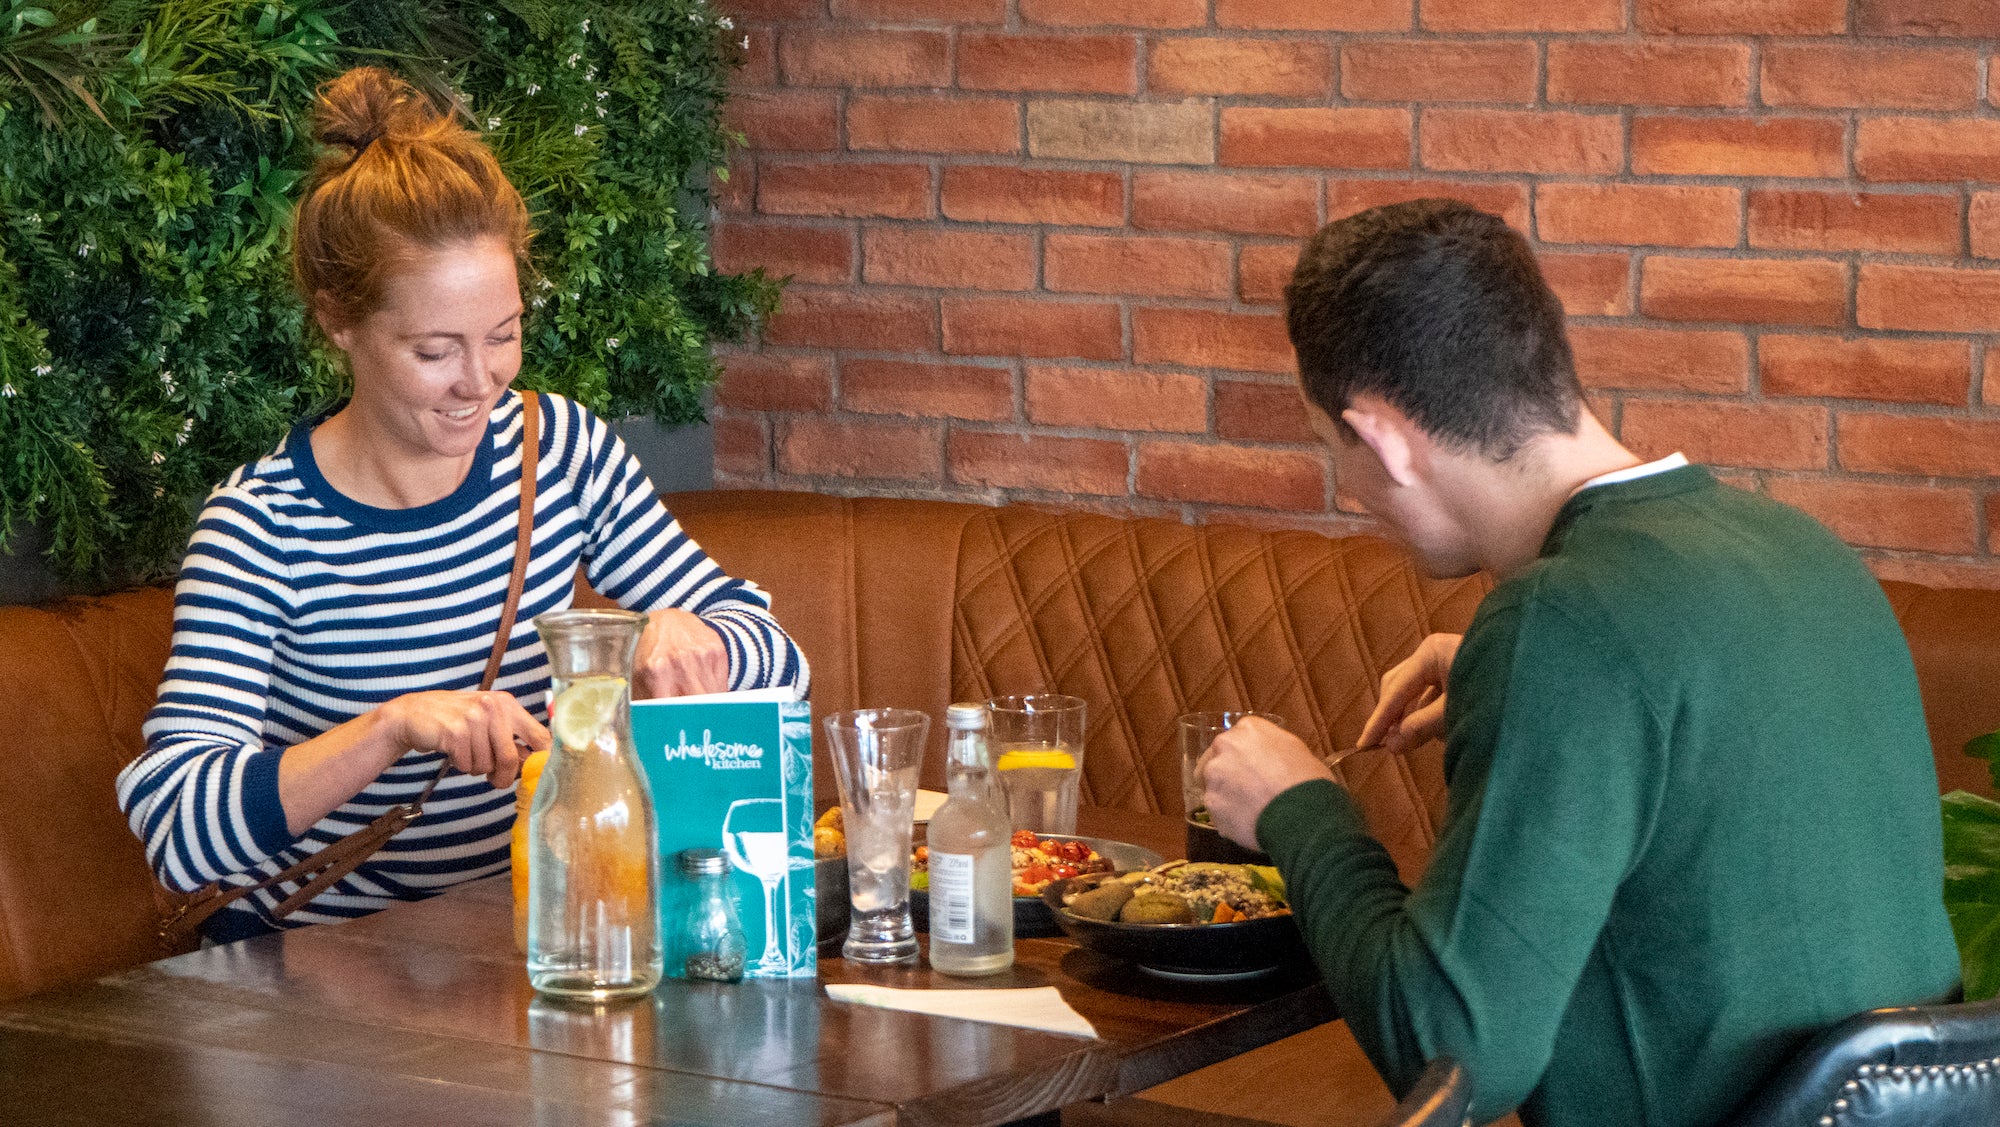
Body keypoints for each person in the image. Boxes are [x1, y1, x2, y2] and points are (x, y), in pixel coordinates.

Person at [1195, 199, 1960, 1127]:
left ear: (1387, 438)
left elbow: (1453, 1058)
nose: (1350, 495)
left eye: (1334, 450)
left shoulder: (1561, 622)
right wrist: (1510, 674)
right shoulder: (1802, 549)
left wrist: (1298, 808)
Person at [116, 66, 808, 943]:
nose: (478, 383)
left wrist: (701, 637)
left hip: (518, 943)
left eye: (504, 335)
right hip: (318, 979)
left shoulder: (560, 452)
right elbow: (178, 827)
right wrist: (393, 726)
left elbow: (782, 662)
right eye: (436, 349)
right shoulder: (259, 528)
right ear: (339, 319)